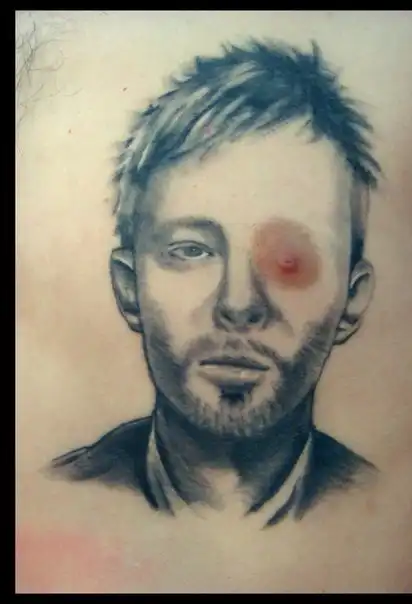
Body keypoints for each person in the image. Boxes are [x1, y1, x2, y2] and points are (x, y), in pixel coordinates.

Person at [49, 41, 381, 526]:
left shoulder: (388, 504)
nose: (238, 303)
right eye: (191, 250)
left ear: (352, 298)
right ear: (128, 286)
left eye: (289, 259)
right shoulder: (59, 495)